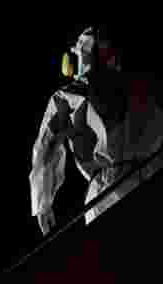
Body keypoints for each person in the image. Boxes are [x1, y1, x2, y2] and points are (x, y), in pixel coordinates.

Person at [30, 25, 162, 234]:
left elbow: (48, 141)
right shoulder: (145, 82)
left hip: (110, 191)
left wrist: (42, 201)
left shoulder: (77, 91)